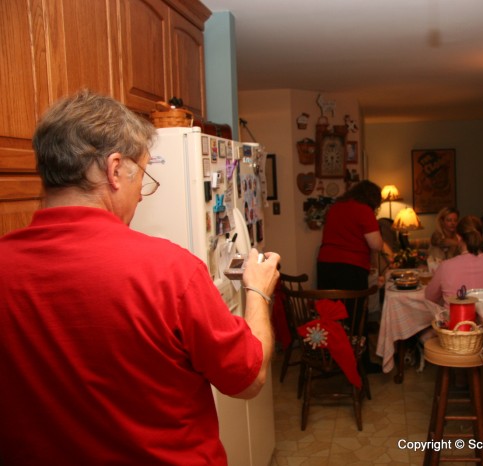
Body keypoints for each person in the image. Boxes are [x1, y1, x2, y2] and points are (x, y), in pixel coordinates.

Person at [0, 90, 281, 465]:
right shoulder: (168, 271)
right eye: (142, 176)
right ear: (115, 170)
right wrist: (257, 293)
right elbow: (248, 379)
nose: (142, 195)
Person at [317, 180, 383, 371]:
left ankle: (331, 359)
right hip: (351, 268)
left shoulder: (336, 207)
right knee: (355, 317)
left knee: (332, 315)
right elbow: (376, 245)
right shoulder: (364, 210)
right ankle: (359, 364)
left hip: (326, 265)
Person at [425, 215, 483, 306]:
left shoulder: (446, 266)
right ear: (482, 235)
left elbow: (430, 297)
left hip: (457, 319)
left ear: (458, 237)